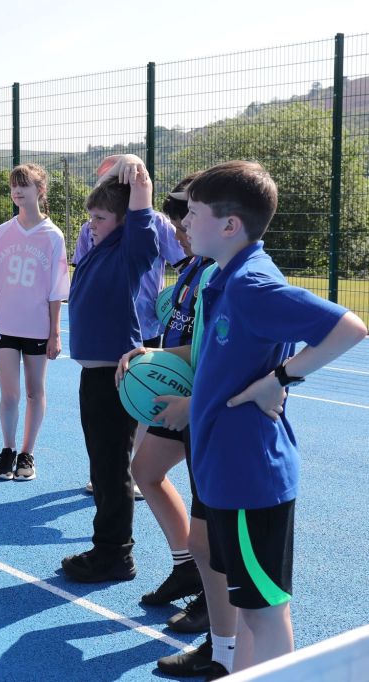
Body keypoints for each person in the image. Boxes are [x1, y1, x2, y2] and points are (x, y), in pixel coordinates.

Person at [161, 160, 365, 677]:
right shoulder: (222, 276)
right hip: (225, 473)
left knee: (265, 613)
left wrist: (281, 378)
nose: (184, 223)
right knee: (252, 613)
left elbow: (349, 327)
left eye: (194, 213)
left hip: (250, 478)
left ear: (230, 225)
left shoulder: (252, 283)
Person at [63, 154, 158, 583]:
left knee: (111, 467)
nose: (92, 224)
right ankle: (108, 548)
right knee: (102, 466)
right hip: (95, 375)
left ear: (124, 221)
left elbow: (142, 205)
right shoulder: (99, 248)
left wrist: (135, 167)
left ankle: (115, 553)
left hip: (113, 377)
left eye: (100, 217)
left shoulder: (131, 249)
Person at [128, 177, 210, 611]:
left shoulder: (220, 273)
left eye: (183, 225)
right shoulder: (193, 266)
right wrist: (152, 353)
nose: (177, 234)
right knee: (144, 470)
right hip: (178, 389)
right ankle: (187, 568)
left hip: (205, 400)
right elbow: (189, 336)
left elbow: (215, 347)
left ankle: (215, 598)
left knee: (209, 508)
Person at [0, 164, 70, 482]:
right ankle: (7, 451)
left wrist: (54, 333)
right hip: (4, 326)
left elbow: (56, 290)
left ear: (40, 190)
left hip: (36, 328)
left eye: (25, 185)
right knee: (10, 394)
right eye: (14, 185)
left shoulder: (53, 236)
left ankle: (26, 453)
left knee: (35, 392)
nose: (17, 191)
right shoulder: (3, 232)